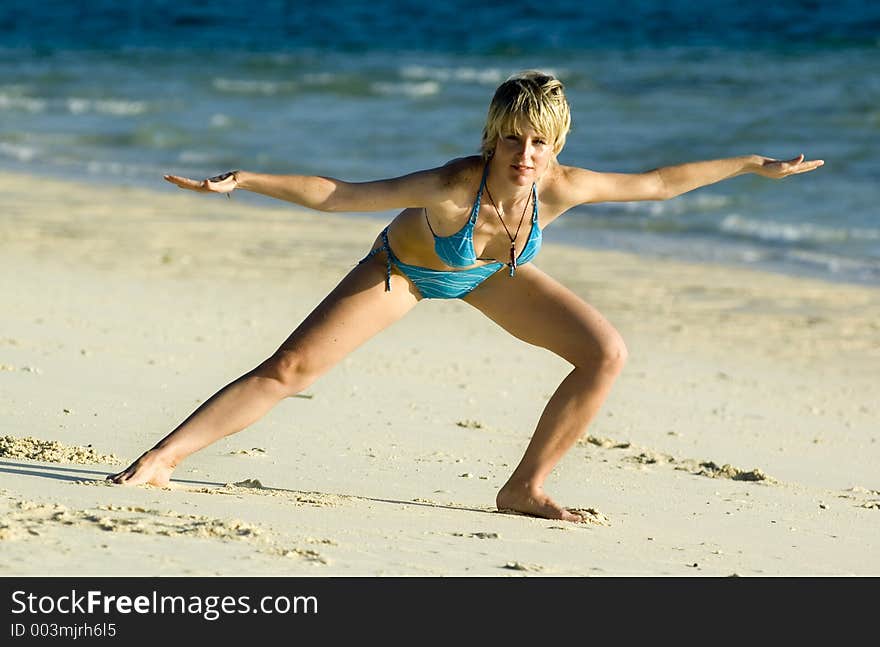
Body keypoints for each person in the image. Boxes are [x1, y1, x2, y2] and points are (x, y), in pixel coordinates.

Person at [108, 70, 823, 522]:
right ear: (492, 136)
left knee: (605, 352)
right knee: (290, 369)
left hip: (488, 277)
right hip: (408, 270)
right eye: (512, 138)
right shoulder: (455, 183)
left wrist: (753, 166)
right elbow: (340, 196)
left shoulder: (562, 186)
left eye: (539, 141)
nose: (525, 155)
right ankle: (161, 460)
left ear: (556, 144)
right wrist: (248, 179)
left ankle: (525, 488)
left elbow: (661, 182)